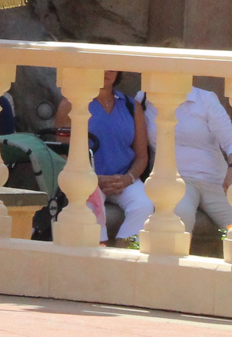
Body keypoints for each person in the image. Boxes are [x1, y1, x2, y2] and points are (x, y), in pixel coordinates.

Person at [153, 61, 232, 242]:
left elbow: (230, 139)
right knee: (180, 218)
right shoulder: (146, 100)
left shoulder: (205, 99)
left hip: (216, 180)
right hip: (178, 180)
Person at [82, 70, 151, 244]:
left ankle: (122, 255)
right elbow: (63, 154)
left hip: (124, 179)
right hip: (87, 180)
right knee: (89, 208)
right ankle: (99, 254)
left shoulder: (131, 106)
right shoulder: (73, 104)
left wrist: (128, 178)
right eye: (101, 66)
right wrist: (94, 179)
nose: (106, 71)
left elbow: (142, 156)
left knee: (144, 204)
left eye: (112, 67)